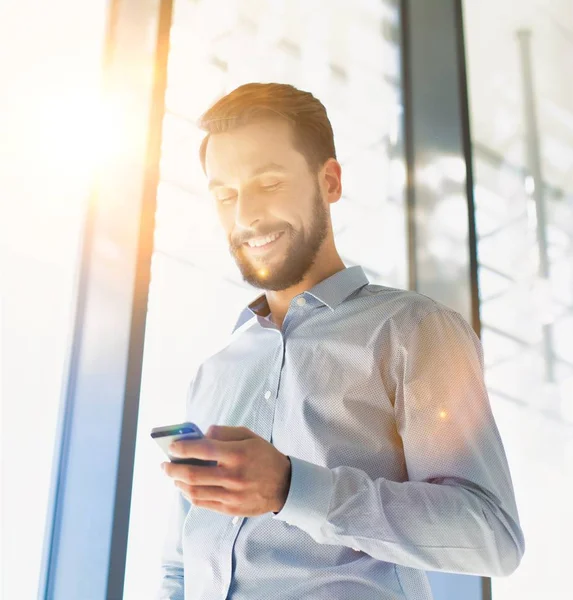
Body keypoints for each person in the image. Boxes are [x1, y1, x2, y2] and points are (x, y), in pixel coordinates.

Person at [157, 82, 525, 600]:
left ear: (328, 181)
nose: (246, 216)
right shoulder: (216, 371)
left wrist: (292, 489)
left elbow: (491, 536)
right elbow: (181, 563)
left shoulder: (412, 331)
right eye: (226, 194)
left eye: (269, 182)